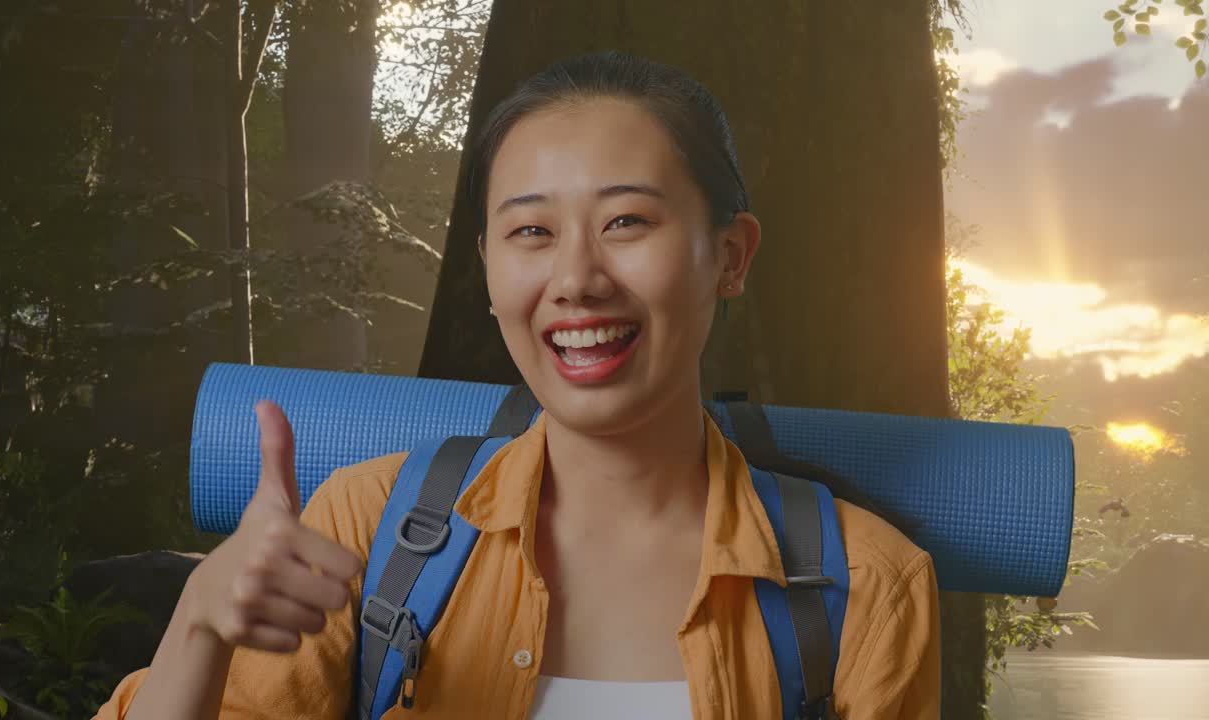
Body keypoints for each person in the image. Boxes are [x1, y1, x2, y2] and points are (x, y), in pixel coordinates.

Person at [96, 51, 940, 720]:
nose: (575, 279)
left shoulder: (867, 588)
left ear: (730, 256)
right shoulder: (365, 533)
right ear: (490, 273)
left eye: (626, 222)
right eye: (530, 231)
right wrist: (201, 618)